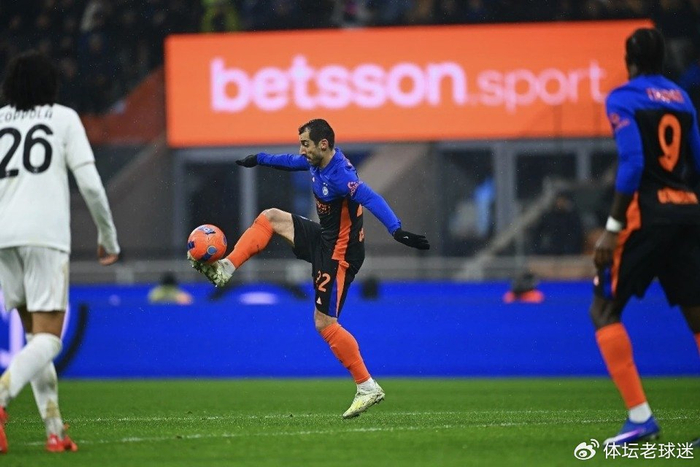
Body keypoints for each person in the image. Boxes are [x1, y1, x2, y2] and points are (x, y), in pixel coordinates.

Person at [189, 118, 429, 418]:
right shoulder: (316, 162)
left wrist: (396, 230)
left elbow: (370, 197)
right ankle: (226, 267)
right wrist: (259, 159)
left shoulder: (341, 175)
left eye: (305, 144)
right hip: (324, 238)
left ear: (323, 144)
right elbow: (290, 162)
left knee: (324, 323)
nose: (301, 150)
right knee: (270, 217)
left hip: (340, 254)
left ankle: (367, 386)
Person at [0, 51, 120, 453]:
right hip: (44, 236)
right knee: (50, 340)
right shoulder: (63, 118)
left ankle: (55, 431)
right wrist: (108, 236)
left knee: (36, 340)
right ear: (50, 85)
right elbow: (90, 184)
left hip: (3, 237)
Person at [590, 28, 700, 445]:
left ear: (628, 61)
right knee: (697, 317)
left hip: (647, 216)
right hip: (686, 211)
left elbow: (633, 163)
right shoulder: (681, 98)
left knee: (604, 309)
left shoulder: (623, 98)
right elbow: (697, 160)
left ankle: (640, 418)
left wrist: (612, 229)